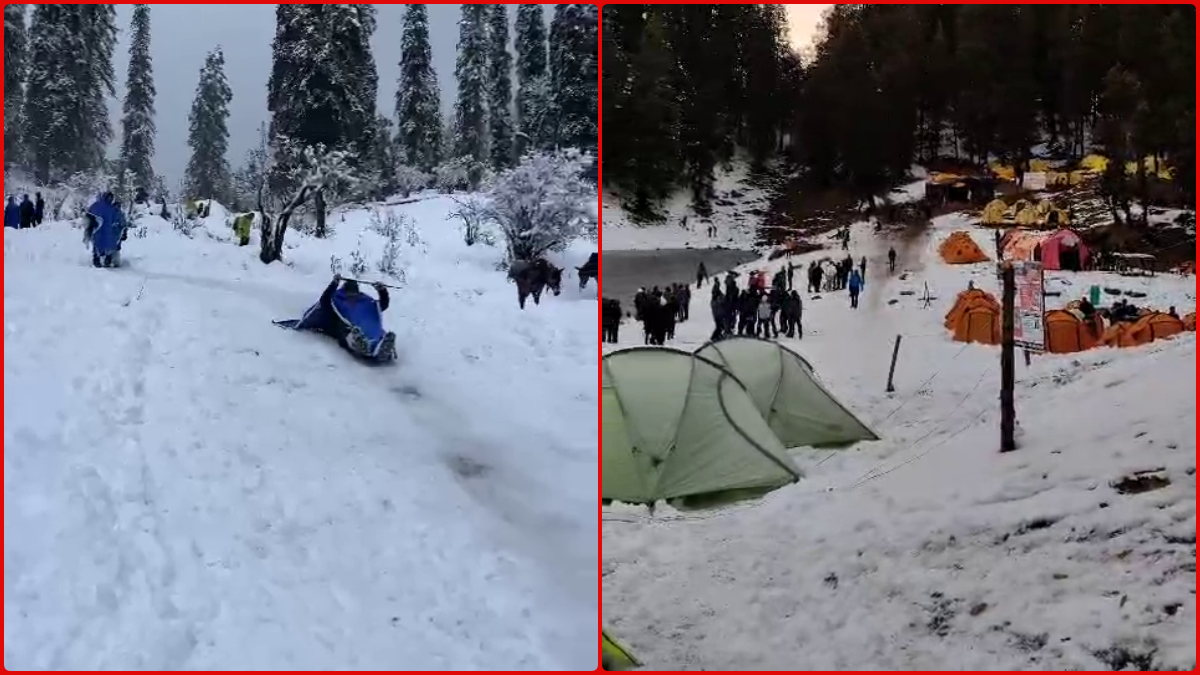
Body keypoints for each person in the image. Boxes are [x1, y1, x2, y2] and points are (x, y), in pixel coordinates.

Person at [317, 275, 397, 360]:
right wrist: (334, 284)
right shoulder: (338, 301)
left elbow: (382, 305)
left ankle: (384, 347)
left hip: (370, 332)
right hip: (347, 332)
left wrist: (382, 291)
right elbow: (324, 301)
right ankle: (362, 346)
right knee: (352, 334)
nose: (353, 298)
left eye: (355, 295)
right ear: (345, 293)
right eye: (350, 296)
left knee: (377, 335)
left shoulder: (364, 302)